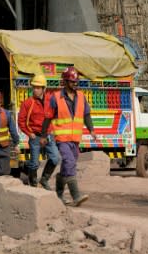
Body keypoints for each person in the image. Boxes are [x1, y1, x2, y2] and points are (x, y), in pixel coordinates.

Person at [40, 66, 95, 207]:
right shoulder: (56, 98)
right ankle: (76, 195)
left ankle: (58, 195)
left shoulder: (81, 97)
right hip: (62, 139)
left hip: (75, 140)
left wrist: (92, 130)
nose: (74, 84)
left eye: (76, 82)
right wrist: (44, 135)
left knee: (67, 166)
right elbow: (47, 117)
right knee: (69, 162)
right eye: (72, 82)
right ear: (65, 82)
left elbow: (86, 115)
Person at [18, 74, 61, 189]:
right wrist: (29, 133)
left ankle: (44, 179)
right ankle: (33, 183)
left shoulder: (50, 100)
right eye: (34, 87)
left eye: (38, 87)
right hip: (35, 137)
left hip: (48, 135)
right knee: (34, 163)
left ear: (44, 89)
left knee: (55, 158)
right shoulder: (28, 103)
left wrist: (53, 130)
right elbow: (21, 121)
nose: (35, 90)